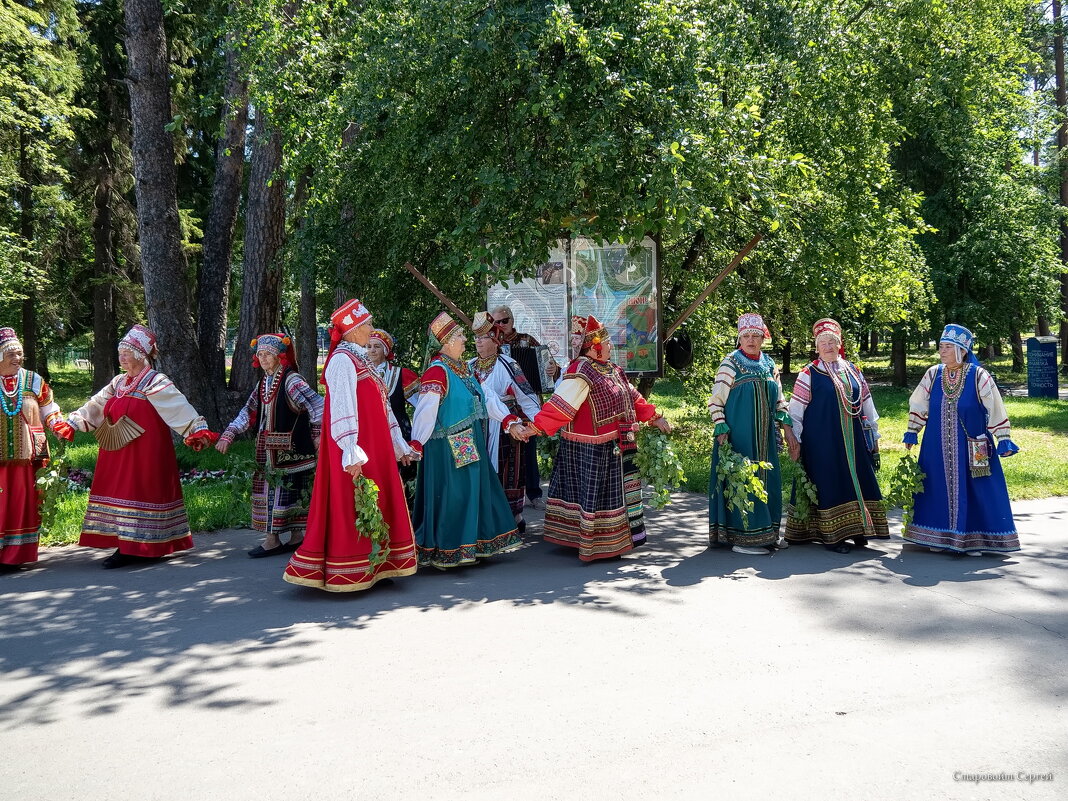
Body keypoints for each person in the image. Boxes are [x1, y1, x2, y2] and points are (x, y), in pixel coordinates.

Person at [283, 300, 418, 591]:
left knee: (374, 502)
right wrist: (350, 450)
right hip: (357, 448)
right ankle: (351, 568)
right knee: (354, 504)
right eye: (368, 324)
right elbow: (341, 408)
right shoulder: (342, 361)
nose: (372, 328)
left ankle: (377, 565)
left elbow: (383, 407)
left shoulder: (362, 361)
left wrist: (398, 444)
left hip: (375, 447)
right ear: (354, 330)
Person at [64, 325, 218, 568]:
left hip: (146, 450)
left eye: (126, 352)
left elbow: (178, 406)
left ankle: (144, 546)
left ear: (140, 354)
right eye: (120, 352)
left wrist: (197, 430)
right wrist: (73, 423)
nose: (121, 357)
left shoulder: (155, 381)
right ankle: (127, 544)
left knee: (141, 491)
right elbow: (95, 406)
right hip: (117, 450)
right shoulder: (118, 382)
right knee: (121, 493)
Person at [526, 314, 672, 562]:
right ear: (593, 346)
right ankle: (592, 541)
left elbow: (633, 397)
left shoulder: (613, 369)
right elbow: (562, 405)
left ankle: (617, 538)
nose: (610, 346)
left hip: (618, 442)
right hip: (591, 448)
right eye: (606, 342)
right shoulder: (581, 370)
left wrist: (654, 417)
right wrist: (536, 427)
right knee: (597, 495)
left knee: (618, 493)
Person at [408, 311, 524, 569]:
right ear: (447, 342)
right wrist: (416, 444)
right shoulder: (437, 372)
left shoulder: (461, 370)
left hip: (468, 444)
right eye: (460, 335)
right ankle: (451, 549)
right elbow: (425, 412)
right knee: (457, 495)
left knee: (472, 492)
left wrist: (508, 421)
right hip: (448, 449)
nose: (464, 339)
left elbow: (486, 397)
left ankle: (473, 545)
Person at [901, 324, 1021, 556]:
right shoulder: (933, 374)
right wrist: (912, 430)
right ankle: (938, 536)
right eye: (941, 347)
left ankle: (973, 540)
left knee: (977, 488)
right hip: (936, 445)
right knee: (935, 485)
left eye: (948, 347)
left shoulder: (979, 375)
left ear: (963, 350)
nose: (942, 352)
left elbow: (995, 406)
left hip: (973, 446)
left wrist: (1003, 437)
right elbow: (919, 403)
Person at [784, 318, 889, 553]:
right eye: (823, 343)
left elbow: (867, 405)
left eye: (832, 342)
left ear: (839, 344)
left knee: (857, 480)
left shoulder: (852, 370)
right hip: (822, 442)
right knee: (830, 483)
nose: (828, 346)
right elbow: (796, 412)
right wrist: (795, 441)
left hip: (853, 440)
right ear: (817, 346)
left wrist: (873, 437)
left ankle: (859, 529)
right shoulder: (808, 374)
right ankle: (833, 536)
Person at [216, 333, 324, 558]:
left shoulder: (292, 380)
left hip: (292, 448)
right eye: (260, 354)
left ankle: (289, 538)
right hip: (268, 447)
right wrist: (230, 432)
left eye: (268, 355)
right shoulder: (263, 381)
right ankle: (274, 538)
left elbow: (318, 405)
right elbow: (249, 410)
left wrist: (317, 433)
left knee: (289, 489)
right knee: (271, 489)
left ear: (279, 357)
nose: (263, 358)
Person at [707, 313, 798, 555]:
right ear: (739, 338)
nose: (751, 340)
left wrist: (787, 428)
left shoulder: (769, 364)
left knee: (769, 481)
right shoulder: (730, 363)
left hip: (766, 438)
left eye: (755, 336)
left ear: (762, 338)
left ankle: (768, 532)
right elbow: (715, 401)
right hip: (738, 437)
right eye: (746, 336)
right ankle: (743, 539)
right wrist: (720, 426)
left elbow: (779, 400)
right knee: (744, 481)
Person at [0, 328, 68, 570]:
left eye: (19, 354)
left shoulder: (33, 380)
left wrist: (59, 426)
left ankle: (15, 556)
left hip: (27, 459)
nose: (17, 358)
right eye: (11, 354)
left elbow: (49, 408)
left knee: (22, 503)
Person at [469, 312, 542, 532]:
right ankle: (483, 518)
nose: (478, 342)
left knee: (506, 470)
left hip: (504, 426)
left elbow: (526, 395)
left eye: (483, 337)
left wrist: (538, 422)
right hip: (477, 426)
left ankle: (513, 516)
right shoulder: (468, 366)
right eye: (476, 337)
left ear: (495, 340)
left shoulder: (508, 364)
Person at [491, 305, 560, 509]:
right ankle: (501, 493)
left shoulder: (527, 341)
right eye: (496, 322)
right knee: (501, 451)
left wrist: (551, 368)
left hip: (527, 405)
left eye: (504, 321)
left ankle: (534, 493)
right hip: (502, 407)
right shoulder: (490, 343)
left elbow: (550, 365)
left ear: (512, 321)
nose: (501, 325)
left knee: (529, 450)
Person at [366, 328, 420, 503]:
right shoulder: (362, 375)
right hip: (373, 435)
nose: (372, 350)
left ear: (386, 350)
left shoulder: (400, 374)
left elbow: (421, 405)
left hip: (399, 434)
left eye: (376, 347)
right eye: (368, 346)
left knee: (401, 478)